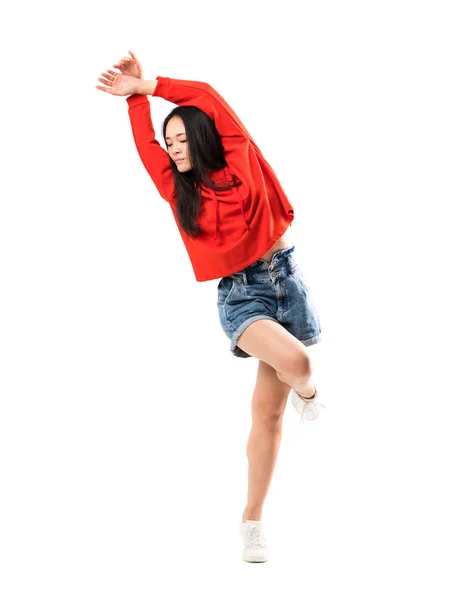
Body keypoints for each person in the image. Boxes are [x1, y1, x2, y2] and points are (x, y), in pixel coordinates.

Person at [96, 50, 324, 563]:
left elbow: (207, 97)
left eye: (181, 140)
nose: (174, 150)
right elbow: (144, 143)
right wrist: (134, 99)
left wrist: (152, 84)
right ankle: (311, 394)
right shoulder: (178, 190)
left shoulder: (242, 158)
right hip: (243, 295)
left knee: (267, 414)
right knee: (301, 366)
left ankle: (252, 521)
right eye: (168, 142)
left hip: (289, 280)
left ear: (203, 139)